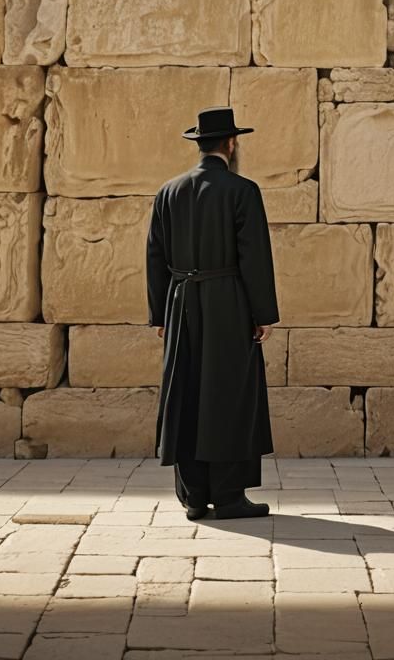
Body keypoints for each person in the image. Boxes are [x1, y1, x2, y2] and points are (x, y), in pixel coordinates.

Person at [146, 106, 280, 521]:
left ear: (199, 144)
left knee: (186, 392)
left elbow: (155, 256)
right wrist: (262, 314)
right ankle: (228, 497)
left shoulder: (168, 191)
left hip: (181, 300)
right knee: (227, 395)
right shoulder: (243, 190)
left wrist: (160, 315)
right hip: (228, 303)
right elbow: (253, 257)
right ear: (231, 143)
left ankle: (193, 497)